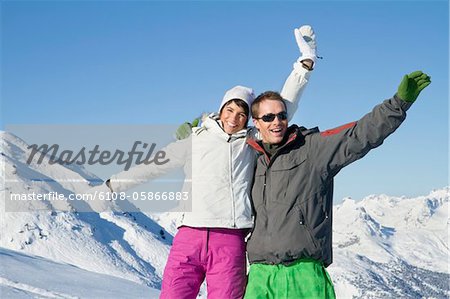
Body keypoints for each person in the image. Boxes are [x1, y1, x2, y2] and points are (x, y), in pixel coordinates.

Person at [89, 25, 318, 299]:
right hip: (190, 236)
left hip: (230, 239)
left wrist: (305, 64)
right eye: (229, 109)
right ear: (220, 110)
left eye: (241, 113)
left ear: (249, 119)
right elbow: (152, 166)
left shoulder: (252, 141)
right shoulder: (194, 140)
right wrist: (111, 187)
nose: (234, 117)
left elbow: (281, 109)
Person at [244, 71, 431, 298]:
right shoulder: (253, 159)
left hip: (303, 273)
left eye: (282, 116)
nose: (277, 122)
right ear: (256, 123)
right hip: (260, 275)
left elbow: (358, 135)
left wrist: (399, 103)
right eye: (269, 117)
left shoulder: (312, 149)